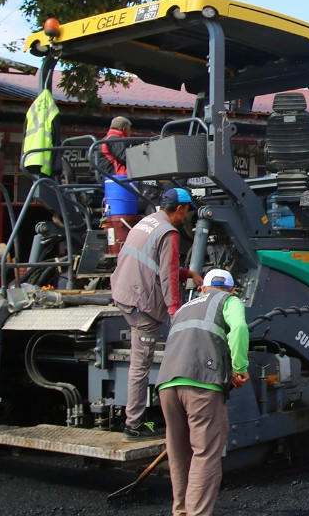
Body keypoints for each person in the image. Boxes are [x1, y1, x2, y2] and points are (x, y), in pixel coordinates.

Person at [157, 268, 249, 516]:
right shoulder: (229, 300)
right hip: (202, 384)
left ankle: (181, 511)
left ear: (202, 288)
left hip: (167, 384)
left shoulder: (184, 308)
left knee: (178, 453)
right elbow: (239, 329)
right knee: (205, 452)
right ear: (231, 289)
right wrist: (239, 368)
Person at [111, 187, 201, 440]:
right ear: (180, 209)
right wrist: (175, 312)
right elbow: (167, 275)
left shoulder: (147, 222)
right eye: (187, 211)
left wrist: (189, 274)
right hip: (142, 304)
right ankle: (135, 425)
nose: (186, 217)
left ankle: (137, 417)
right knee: (141, 365)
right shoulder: (170, 233)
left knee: (139, 362)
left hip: (124, 293)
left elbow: (155, 263)